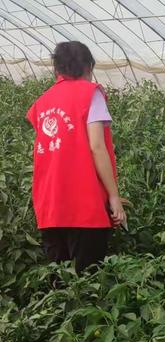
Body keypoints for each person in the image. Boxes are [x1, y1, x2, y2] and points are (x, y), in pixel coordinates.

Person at [26, 41, 126, 274]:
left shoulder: (42, 102)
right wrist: (114, 197)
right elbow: (96, 146)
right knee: (87, 283)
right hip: (85, 204)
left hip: (50, 205)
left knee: (59, 283)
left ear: (57, 70)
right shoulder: (90, 94)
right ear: (87, 67)